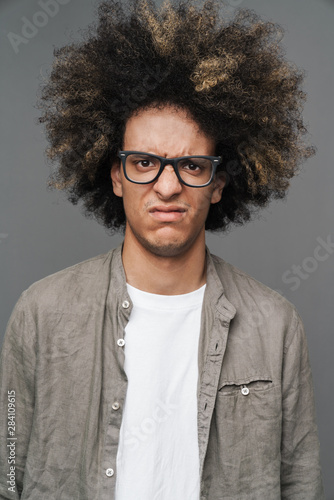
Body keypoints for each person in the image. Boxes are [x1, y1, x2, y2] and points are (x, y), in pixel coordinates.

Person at [0, 0, 325, 498]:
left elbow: (299, 484)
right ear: (115, 175)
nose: (168, 188)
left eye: (191, 165)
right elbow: (7, 474)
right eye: (145, 162)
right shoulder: (40, 315)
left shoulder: (275, 326)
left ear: (218, 183)